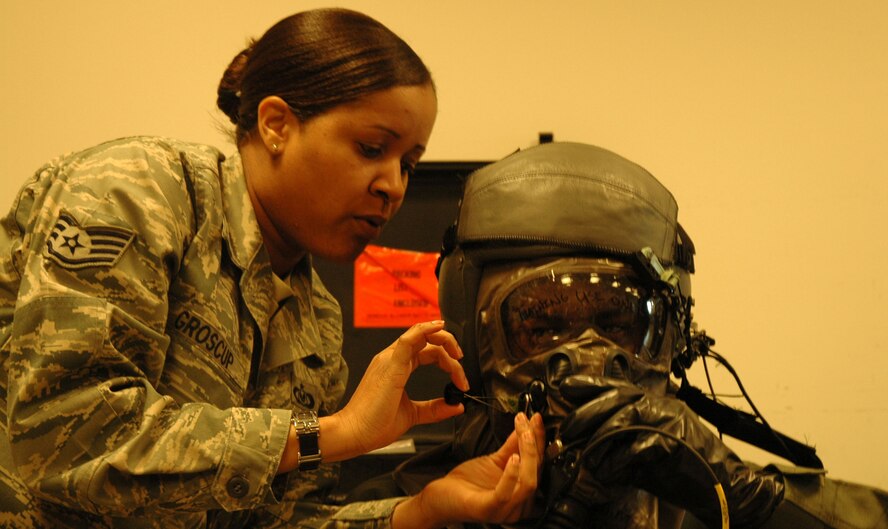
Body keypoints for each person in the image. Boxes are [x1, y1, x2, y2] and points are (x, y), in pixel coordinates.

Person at [0, 8, 544, 529]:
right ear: (277, 124)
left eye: (408, 164)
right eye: (371, 147)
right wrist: (332, 432)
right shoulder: (138, 191)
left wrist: (425, 508)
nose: (393, 186)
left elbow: (279, 518)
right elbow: (66, 440)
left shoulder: (317, 321)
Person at [396, 141, 888, 528]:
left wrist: (747, 497)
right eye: (542, 327)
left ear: (672, 340)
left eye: (616, 326)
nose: (588, 359)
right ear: (477, 344)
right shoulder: (416, 507)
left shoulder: (718, 500)